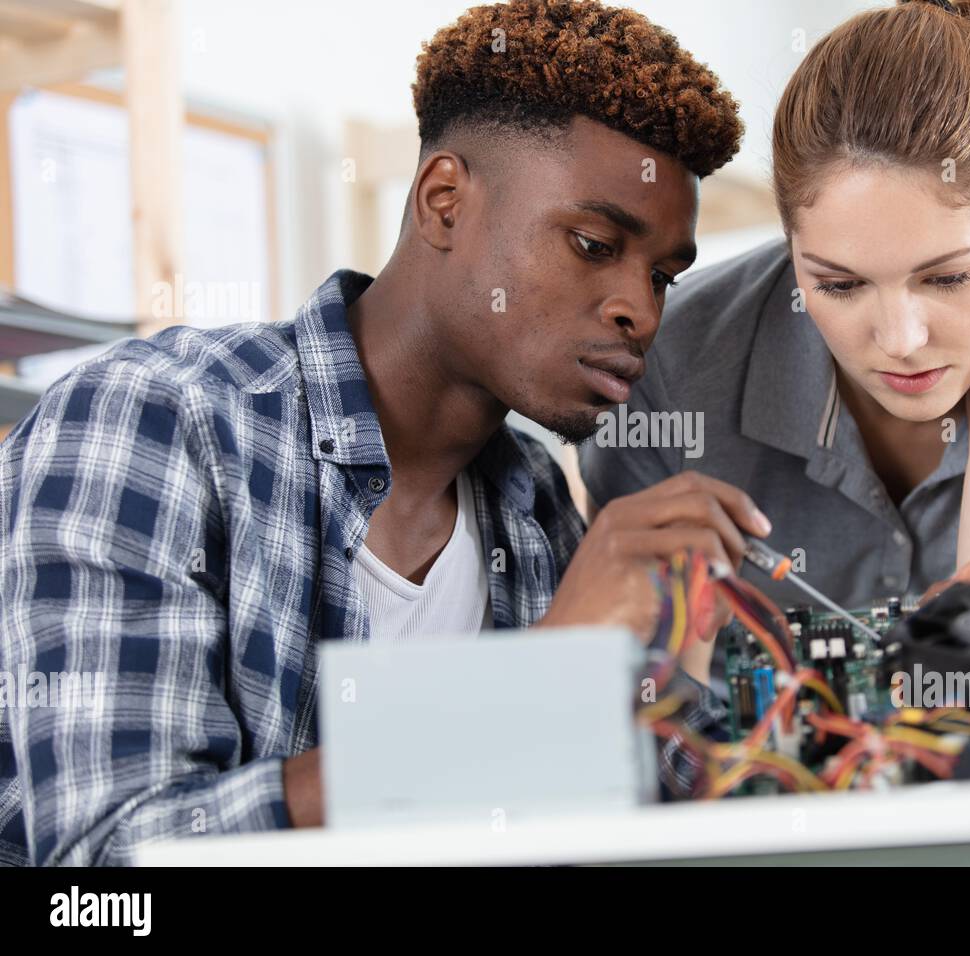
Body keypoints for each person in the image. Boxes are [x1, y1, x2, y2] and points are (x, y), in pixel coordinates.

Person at [0, 0, 761, 866]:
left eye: (663, 276)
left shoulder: (538, 512)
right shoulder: (157, 422)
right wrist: (530, 690)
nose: (639, 309)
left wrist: (684, 686)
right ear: (444, 201)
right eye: (592, 243)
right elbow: (108, 863)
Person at [581, 0, 970, 680]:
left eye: (947, 278)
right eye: (840, 286)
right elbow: (645, 717)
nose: (900, 340)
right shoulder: (669, 369)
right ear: (792, 241)